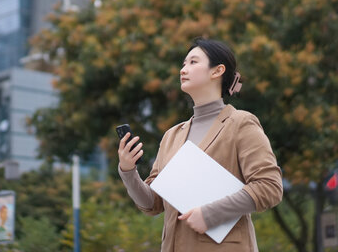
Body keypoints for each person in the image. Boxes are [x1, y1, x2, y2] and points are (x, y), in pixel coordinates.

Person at [118, 38, 283, 252]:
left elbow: (269, 186)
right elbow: (153, 204)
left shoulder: (241, 123)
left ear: (217, 71)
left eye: (193, 62)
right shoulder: (172, 136)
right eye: (183, 63)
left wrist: (210, 214)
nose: (183, 69)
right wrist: (128, 171)